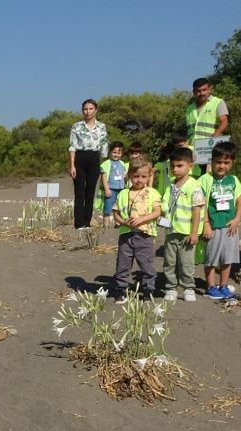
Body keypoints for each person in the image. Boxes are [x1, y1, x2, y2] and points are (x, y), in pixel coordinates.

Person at [197, 142, 241, 300]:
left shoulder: (233, 180)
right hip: (213, 226)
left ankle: (223, 285)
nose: (222, 166)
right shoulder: (205, 179)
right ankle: (211, 286)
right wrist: (206, 224)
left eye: (226, 162)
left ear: (232, 163)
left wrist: (237, 219)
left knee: (227, 257)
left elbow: (240, 202)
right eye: (218, 162)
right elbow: (201, 202)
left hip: (230, 226)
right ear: (211, 161)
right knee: (212, 257)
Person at [111, 157, 161, 304]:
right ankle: (121, 291)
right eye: (136, 176)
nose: (139, 180)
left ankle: (148, 291)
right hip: (126, 236)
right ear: (129, 176)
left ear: (149, 176)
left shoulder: (152, 193)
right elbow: (116, 213)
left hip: (145, 236)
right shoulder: (123, 193)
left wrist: (142, 219)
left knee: (147, 265)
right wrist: (123, 222)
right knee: (122, 264)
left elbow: (157, 212)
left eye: (143, 176)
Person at [161, 147, 206, 301]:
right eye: (173, 166)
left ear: (190, 166)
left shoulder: (194, 186)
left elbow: (197, 210)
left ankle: (188, 287)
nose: (175, 169)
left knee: (186, 262)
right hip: (171, 231)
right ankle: (171, 287)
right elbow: (165, 205)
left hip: (187, 233)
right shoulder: (170, 186)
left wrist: (194, 232)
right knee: (169, 261)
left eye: (180, 166)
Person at [68, 99, 108, 230]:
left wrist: (104, 161)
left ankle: (87, 221)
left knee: (90, 193)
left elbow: (103, 144)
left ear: (95, 110)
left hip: (94, 158)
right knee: (79, 193)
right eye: (85, 109)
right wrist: (72, 165)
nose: (88, 111)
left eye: (91, 109)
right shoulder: (77, 126)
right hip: (80, 158)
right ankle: (78, 223)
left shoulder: (101, 126)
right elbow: (72, 146)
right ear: (82, 111)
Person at [187, 78, 230, 166]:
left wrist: (215, 137)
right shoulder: (190, 108)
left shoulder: (218, 102)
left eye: (204, 90)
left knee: (209, 177)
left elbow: (224, 121)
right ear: (194, 92)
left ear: (209, 89)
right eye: (198, 91)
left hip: (210, 149)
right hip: (193, 150)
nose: (201, 93)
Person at [99, 143, 127, 228]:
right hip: (111, 189)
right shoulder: (106, 163)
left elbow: (124, 175)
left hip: (121, 188)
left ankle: (117, 222)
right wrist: (107, 189)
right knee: (108, 207)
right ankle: (106, 223)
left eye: (118, 153)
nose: (116, 155)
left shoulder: (122, 163)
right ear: (110, 152)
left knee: (118, 206)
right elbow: (104, 177)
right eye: (114, 152)